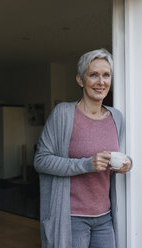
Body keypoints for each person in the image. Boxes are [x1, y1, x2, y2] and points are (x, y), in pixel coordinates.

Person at [34, 48, 132, 248]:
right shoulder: (63, 114)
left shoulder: (117, 117)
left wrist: (127, 164)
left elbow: (117, 154)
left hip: (105, 217)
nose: (101, 82)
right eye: (93, 75)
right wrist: (86, 164)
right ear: (80, 79)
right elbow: (41, 160)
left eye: (106, 75)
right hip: (72, 218)